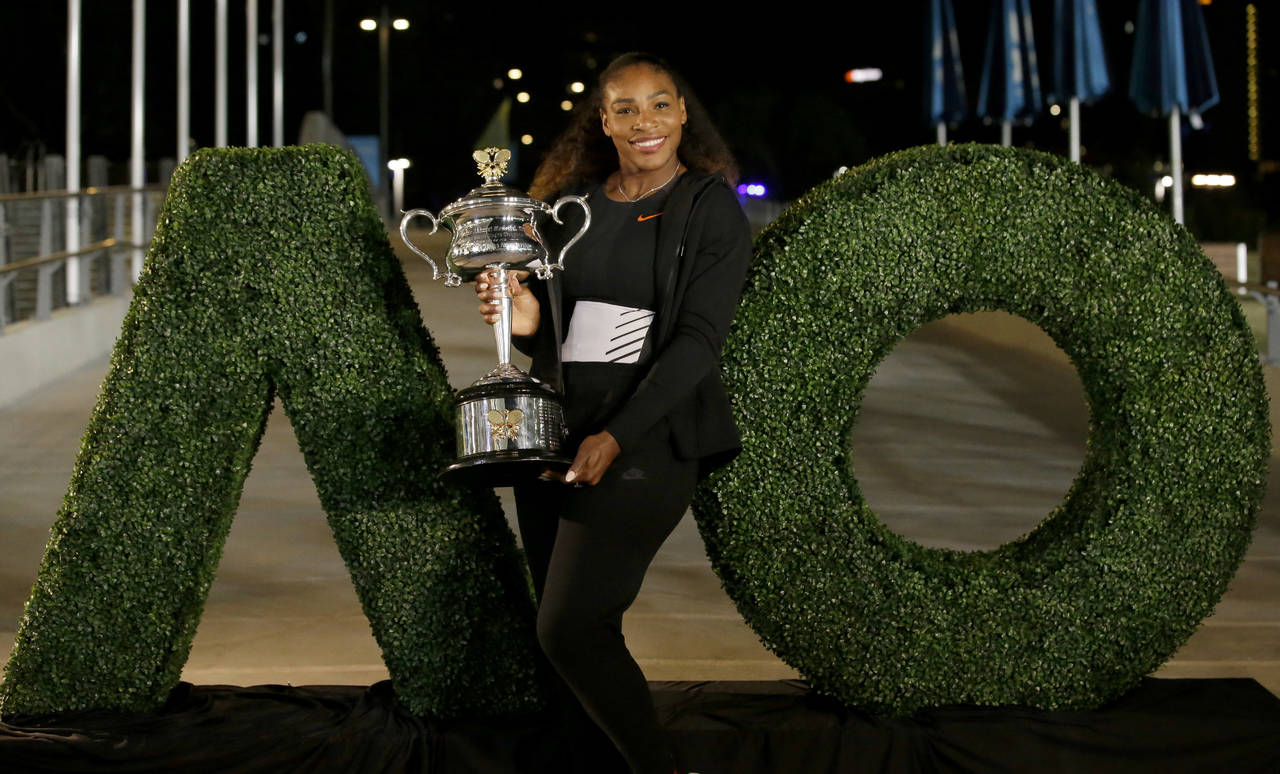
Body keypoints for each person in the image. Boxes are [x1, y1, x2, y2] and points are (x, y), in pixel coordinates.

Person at [473, 52, 752, 774]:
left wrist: (616, 436)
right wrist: (520, 315)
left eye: (659, 104)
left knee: (572, 627)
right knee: (557, 631)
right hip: (553, 434)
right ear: (603, 121)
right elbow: (553, 329)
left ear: (682, 113)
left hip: (647, 438)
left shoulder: (708, 205)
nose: (644, 122)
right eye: (624, 108)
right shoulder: (576, 208)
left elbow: (697, 343)